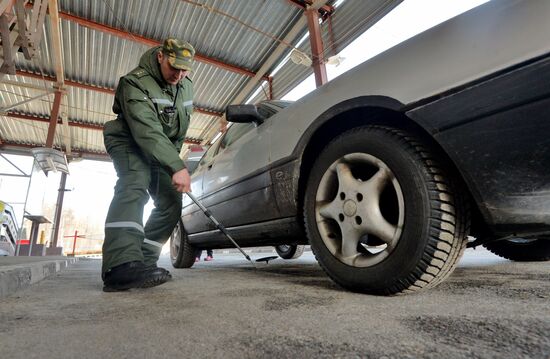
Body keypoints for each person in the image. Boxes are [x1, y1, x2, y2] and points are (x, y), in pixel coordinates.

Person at [101, 38, 195, 292]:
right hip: (129, 140)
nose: (179, 74)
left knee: (170, 202)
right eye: (174, 67)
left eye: (185, 69)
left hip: (160, 147)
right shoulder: (134, 83)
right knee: (135, 184)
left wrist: (171, 163)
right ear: (161, 57)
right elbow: (146, 130)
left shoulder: (186, 86)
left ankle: (142, 261)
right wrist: (176, 165)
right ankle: (119, 265)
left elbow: (177, 131)